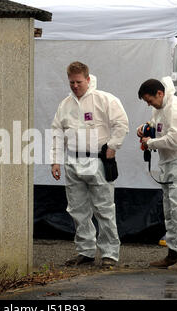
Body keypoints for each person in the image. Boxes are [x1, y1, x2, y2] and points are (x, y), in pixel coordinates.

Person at [50, 61, 129, 268]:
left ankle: (110, 253)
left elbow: (121, 124)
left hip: (97, 159)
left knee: (104, 208)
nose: (75, 86)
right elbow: (57, 133)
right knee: (77, 209)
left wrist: (112, 147)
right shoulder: (65, 104)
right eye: (71, 82)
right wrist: (55, 161)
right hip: (73, 159)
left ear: (87, 79)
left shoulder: (104, 99)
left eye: (78, 82)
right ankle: (85, 251)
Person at [137, 77, 177, 272]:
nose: (149, 104)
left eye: (150, 100)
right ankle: (173, 254)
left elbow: (175, 139)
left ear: (160, 93)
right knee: (170, 211)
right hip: (168, 163)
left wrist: (150, 143)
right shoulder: (160, 108)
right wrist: (144, 128)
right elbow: (156, 125)